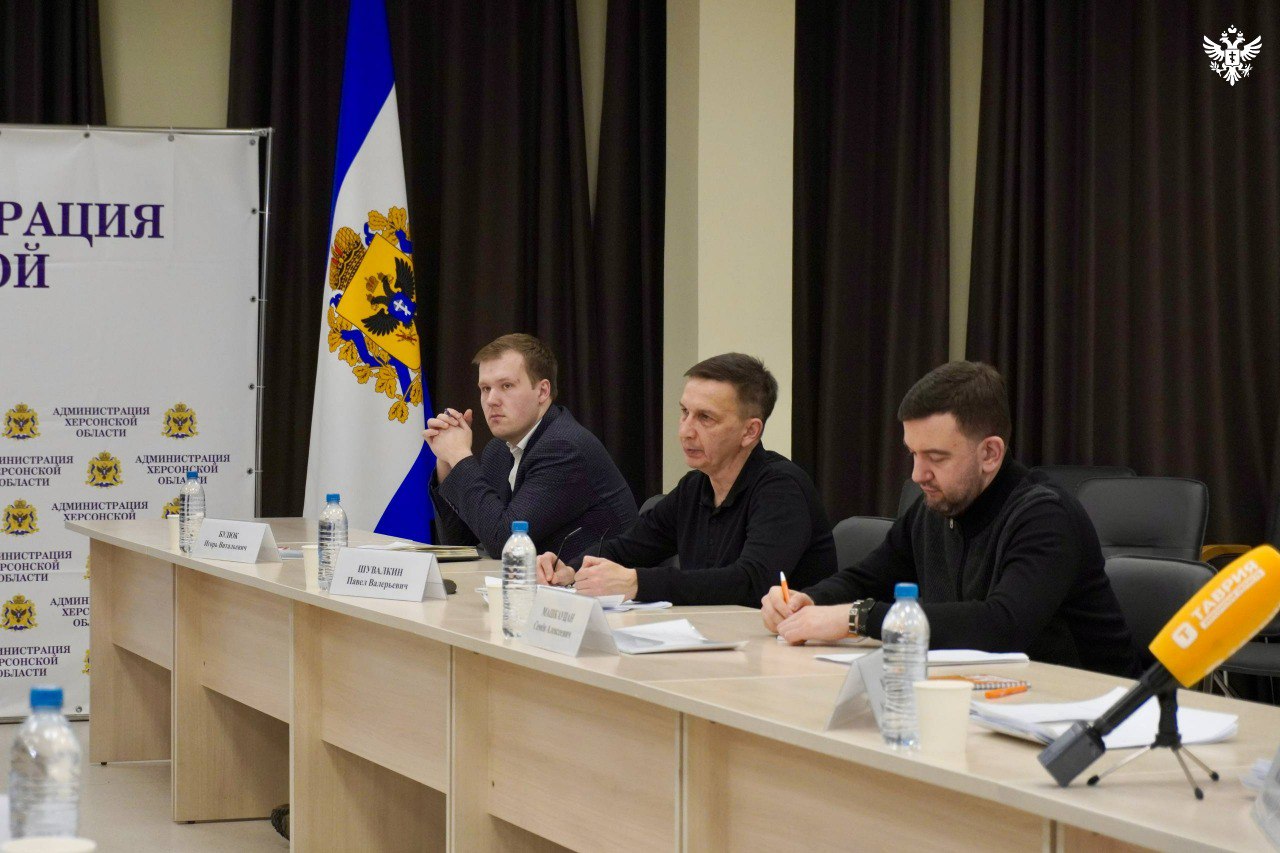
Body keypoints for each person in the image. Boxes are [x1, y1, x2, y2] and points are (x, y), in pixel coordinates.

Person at [760, 361, 1139, 677]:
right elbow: (867, 578)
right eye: (913, 454)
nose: (917, 474)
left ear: (990, 453)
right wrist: (806, 601)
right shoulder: (936, 507)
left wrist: (858, 617)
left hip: (1087, 710)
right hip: (989, 699)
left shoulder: (1046, 517)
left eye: (936, 457)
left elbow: (1001, 625)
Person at [537, 353, 836, 607]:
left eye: (705, 418)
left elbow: (751, 583)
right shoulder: (695, 487)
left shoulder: (782, 489)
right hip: (716, 638)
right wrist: (571, 569)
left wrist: (638, 583)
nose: (685, 431)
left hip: (785, 647)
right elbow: (628, 547)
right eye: (684, 412)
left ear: (750, 432)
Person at [425, 333, 637, 563]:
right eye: (485, 388)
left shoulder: (564, 448)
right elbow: (460, 544)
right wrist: (447, 462)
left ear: (543, 391)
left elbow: (505, 543)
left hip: (597, 584)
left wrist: (460, 456)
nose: (491, 400)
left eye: (506, 386)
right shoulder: (498, 451)